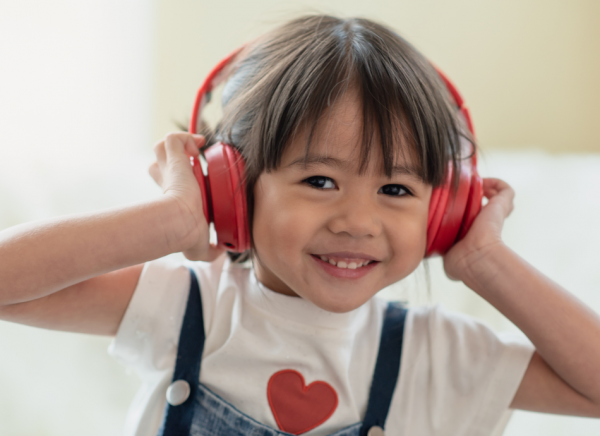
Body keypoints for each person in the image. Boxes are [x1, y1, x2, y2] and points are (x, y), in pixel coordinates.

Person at [1, 14, 599, 436]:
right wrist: (178, 218)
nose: (357, 221)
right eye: (319, 181)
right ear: (233, 189)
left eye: (396, 189)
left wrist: (485, 260)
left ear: (444, 214)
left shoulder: (435, 355)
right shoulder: (187, 309)